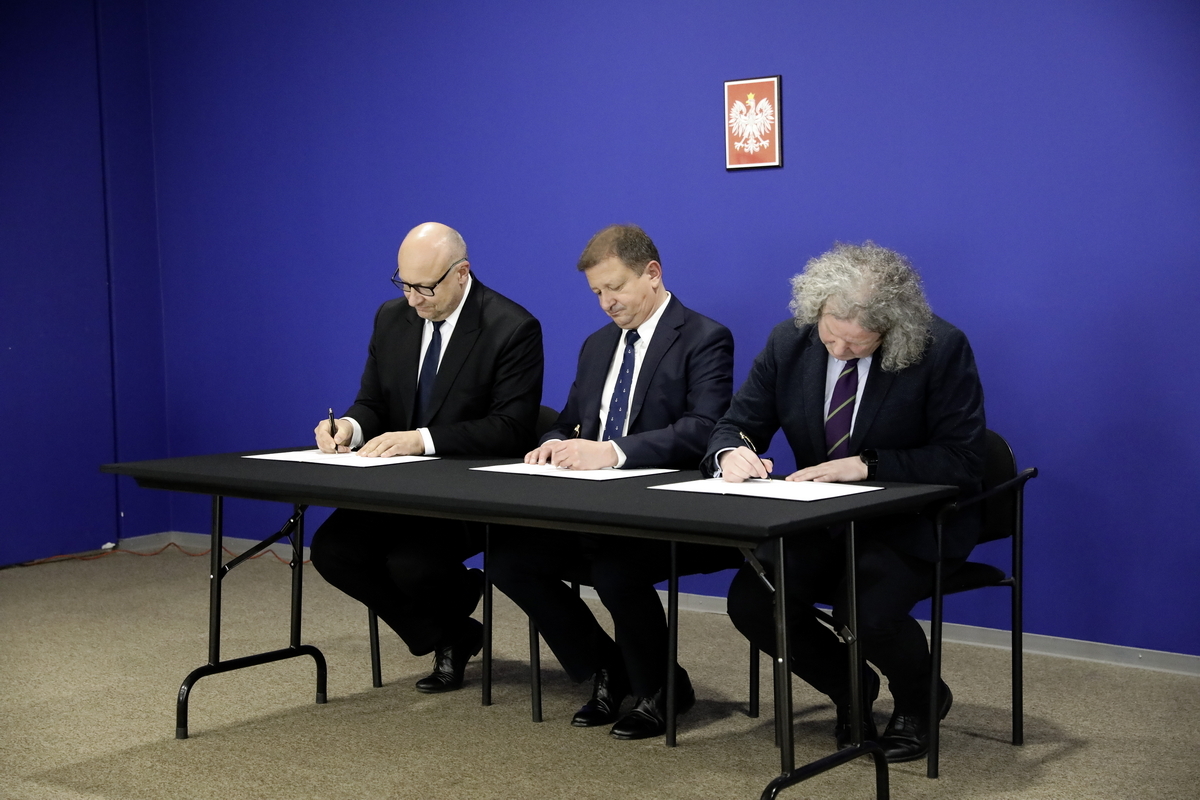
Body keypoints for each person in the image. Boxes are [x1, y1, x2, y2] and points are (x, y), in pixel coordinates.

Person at [703, 241, 986, 762]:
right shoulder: (790, 342)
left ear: (892, 329)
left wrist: (868, 465)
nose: (838, 351)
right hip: (823, 518)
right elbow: (737, 424)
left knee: (865, 611)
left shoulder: (940, 348)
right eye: (830, 336)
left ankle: (920, 698)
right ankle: (850, 687)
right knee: (754, 602)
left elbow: (964, 460)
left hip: (909, 520)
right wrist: (730, 454)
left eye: (856, 344)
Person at [490, 224, 738, 740]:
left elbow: (702, 430)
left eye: (616, 287)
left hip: (665, 513)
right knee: (510, 560)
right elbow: (570, 420)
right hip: (591, 508)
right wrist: (552, 443)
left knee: (614, 568)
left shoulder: (704, 337)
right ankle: (609, 666)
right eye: (597, 292)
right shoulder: (597, 345)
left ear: (653, 273)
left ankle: (661, 689)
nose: (607, 303)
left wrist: (612, 452)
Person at [310, 222, 543, 693]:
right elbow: (373, 402)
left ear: (462, 273)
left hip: (467, 491)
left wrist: (423, 439)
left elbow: (510, 428)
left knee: (411, 564)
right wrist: (349, 426)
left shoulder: (512, 327)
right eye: (404, 284)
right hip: (398, 487)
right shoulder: (391, 318)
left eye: (425, 288)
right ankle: (451, 632)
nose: (413, 299)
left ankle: (450, 616)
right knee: (332, 550)